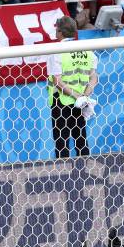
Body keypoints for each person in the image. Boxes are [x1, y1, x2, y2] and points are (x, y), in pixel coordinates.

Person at [46, 16, 98, 158]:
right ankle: (84, 175)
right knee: (81, 140)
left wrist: (77, 97)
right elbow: (94, 77)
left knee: (61, 143)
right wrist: (84, 97)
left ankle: (64, 178)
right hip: (80, 104)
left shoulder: (56, 51)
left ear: (60, 32)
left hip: (61, 102)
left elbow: (57, 82)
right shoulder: (87, 51)